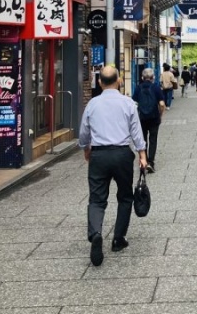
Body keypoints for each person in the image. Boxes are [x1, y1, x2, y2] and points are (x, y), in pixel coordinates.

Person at [78, 65, 147, 267]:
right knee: (125, 196)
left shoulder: (92, 104)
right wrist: (142, 154)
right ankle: (118, 238)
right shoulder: (128, 103)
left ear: (99, 82)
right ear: (119, 81)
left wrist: (86, 149)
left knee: (97, 199)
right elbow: (136, 131)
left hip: (99, 155)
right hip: (122, 154)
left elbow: (84, 131)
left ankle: (96, 233)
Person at [132, 68, 166, 174]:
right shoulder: (156, 88)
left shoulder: (138, 88)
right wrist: (160, 114)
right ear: (153, 78)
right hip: (154, 117)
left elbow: (134, 103)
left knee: (143, 139)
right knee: (153, 139)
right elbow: (161, 104)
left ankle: (143, 160)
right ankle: (151, 162)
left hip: (142, 118)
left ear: (142, 77)